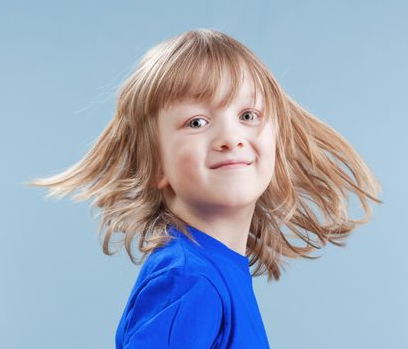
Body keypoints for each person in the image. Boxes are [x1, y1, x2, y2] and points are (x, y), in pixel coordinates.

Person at [26, 28, 382, 348]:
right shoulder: (188, 280)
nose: (230, 138)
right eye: (197, 122)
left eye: (247, 116)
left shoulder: (214, 270)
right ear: (156, 163)